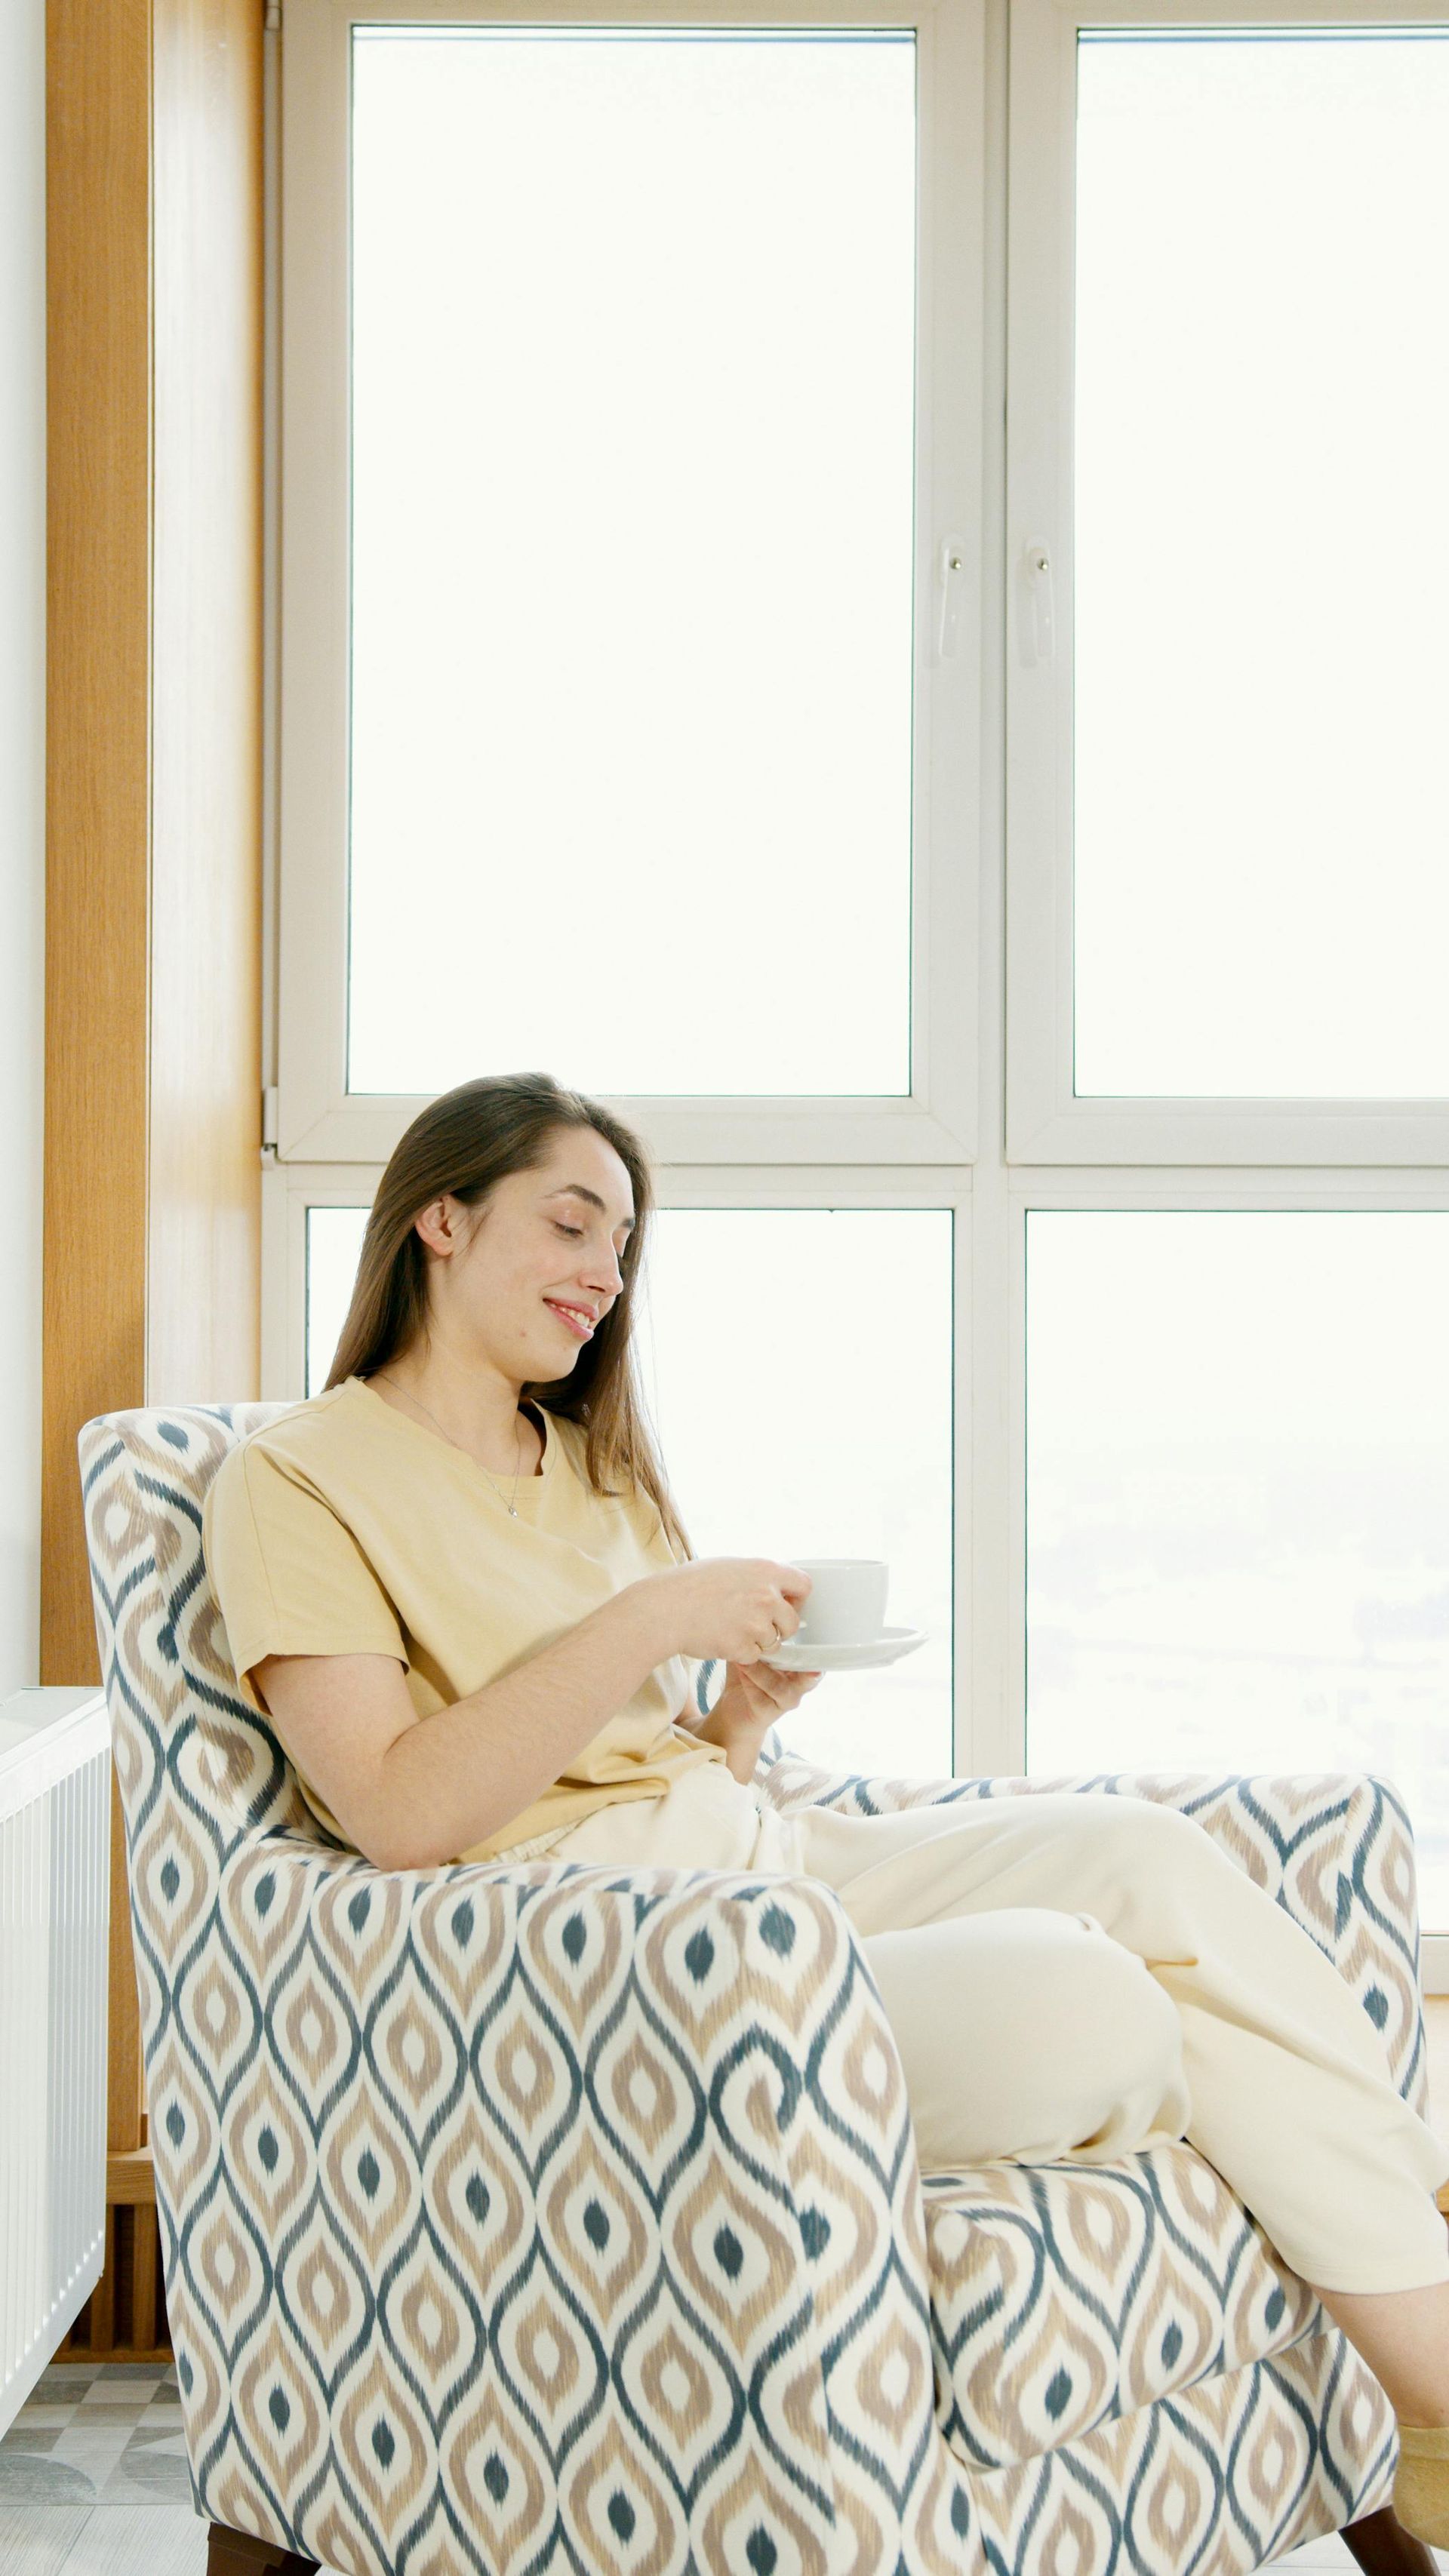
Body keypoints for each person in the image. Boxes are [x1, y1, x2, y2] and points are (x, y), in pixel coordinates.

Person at [202, 1069, 1449, 2544]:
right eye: (573, 1223)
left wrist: (735, 1722)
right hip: (627, 1961)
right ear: (440, 1220)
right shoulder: (297, 1476)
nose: (605, 1274)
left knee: (1152, 1860)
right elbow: (398, 1813)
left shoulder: (590, 1464)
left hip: (772, 1860)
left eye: (624, 1244)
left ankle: (1432, 2390)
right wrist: (653, 1614)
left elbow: (655, 1767)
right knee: (1101, 2002)